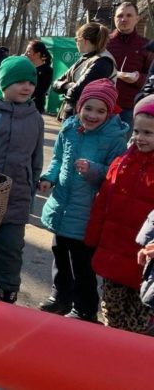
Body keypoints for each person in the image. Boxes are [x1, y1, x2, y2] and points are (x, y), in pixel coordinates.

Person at [37, 79, 128, 322]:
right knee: (59, 256)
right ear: (79, 108)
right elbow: (57, 158)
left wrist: (94, 170)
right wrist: (49, 177)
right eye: (88, 108)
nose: (92, 115)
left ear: (109, 112)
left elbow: (115, 171)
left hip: (87, 213)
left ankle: (85, 308)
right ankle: (61, 296)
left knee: (83, 264)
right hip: (61, 206)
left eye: (100, 111)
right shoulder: (69, 128)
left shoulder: (114, 137)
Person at [0, 56, 44, 303]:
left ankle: (8, 289)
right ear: (5, 84)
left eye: (31, 82)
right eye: (20, 82)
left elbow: (37, 156)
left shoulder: (35, 117)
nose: (27, 87)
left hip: (18, 194)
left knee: (12, 247)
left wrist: (33, 181)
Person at [84, 94, 154, 333]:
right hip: (114, 252)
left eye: (148, 133)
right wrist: (93, 237)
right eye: (137, 131)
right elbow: (104, 200)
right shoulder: (123, 161)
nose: (140, 138)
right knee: (112, 313)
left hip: (143, 262)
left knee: (137, 319)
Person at [51, 22, 116, 121]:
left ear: (84, 40)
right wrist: (69, 85)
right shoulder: (86, 58)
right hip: (75, 114)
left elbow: (78, 91)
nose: (76, 42)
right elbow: (55, 84)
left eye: (76, 39)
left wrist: (67, 86)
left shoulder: (102, 61)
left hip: (88, 118)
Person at [106, 2, 153, 127]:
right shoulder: (104, 42)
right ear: (114, 18)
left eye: (129, 15)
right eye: (120, 15)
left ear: (137, 19)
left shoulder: (147, 45)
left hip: (128, 108)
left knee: (122, 146)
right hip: (101, 104)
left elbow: (151, 79)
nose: (124, 19)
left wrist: (137, 78)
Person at [25, 39, 54, 114]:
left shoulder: (47, 70)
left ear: (37, 54)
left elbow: (41, 90)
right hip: (21, 103)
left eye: (28, 51)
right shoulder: (25, 67)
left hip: (35, 107)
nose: (26, 54)